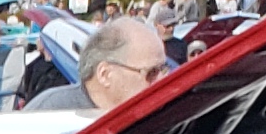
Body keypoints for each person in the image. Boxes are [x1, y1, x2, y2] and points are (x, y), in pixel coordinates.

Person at [27, 15, 166, 113]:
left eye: (164, 69)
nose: (161, 80)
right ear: (105, 74)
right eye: (151, 73)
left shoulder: (159, 114)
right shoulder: (50, 113)